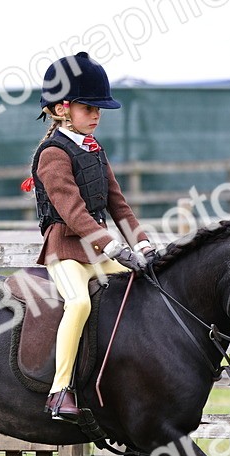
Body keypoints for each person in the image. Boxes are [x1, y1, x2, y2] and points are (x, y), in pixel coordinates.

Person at [24, 52, 155, 422]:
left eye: (99, 109)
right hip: (64, 251)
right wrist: (113, 245)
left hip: (96, 250)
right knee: (79, 303)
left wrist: (142, 242)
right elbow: (73, 212)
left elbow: (118, 203)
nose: (97, 115)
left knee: (144, 284)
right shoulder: (52, 154)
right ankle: (59, 391)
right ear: (62, 109)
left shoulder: (94, 150)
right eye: (89, 108)